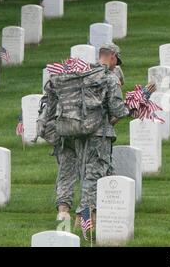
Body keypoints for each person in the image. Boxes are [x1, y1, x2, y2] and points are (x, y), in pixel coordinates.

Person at [55, 43, 129, 237]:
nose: (116, 65)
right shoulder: (109, 78)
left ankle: (71, 215)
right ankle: (85, 222)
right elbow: (117, 110)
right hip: (98, 134)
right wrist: (132, 107)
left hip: (78, 131)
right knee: (93, 176)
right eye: (116, 61)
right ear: (112, 57)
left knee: (82, 172)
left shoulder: (85, 74)